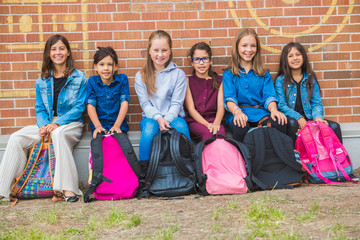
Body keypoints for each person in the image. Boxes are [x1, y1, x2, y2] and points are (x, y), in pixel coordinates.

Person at [0, 34, 86, 202]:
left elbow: (79, 108)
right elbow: (39, 108)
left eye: (62, 48)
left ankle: (68, 189)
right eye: (53, 49)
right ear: (48, 53)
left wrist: (58, 123)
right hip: (47, 123)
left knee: (58, 134)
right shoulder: (42, 80)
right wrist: (44, 125)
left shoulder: (79, 77)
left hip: (70, 123)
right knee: (16, 137)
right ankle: (5, 188)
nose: (58, 52)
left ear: (68, 52)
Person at [134, 30, 190, 168]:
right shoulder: (141, 76)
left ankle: (189, 168)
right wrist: (159, 119)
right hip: (151, 118)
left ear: (170, 51)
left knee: (181, 127)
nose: (160, 54)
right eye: (156, 50)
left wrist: (167, 120)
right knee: (149, 130)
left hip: (174, 116)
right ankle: (145, 172)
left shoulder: (178, 74)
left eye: (164, 50)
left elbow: (177, 103)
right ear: (149, 51)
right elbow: (146, 105)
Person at [223, 28, 287, 142]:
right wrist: (237, 112)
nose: (249, 49)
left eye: (253, 46)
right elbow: (229, 99)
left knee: (279, 121)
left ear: (257, 48)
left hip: (260, 112)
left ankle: (275, 157)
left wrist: (273, 110)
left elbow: (269, 96)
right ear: (237, 47)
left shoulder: (263, 72)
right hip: (239, 112)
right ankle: (244, 158)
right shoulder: (229, 73)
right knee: (239, 125)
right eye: (244, 45)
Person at [275, 42, 342, 142]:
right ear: (285, 60)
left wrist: (318, 117)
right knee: (293, 124)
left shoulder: (310, 78)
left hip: (310, 118)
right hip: (292, 120)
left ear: (303, 57)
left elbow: (316, 103)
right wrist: (298, 118)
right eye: (290, 56)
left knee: (334, 126)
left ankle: (337, 157)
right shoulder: (280, 81)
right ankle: (295, 156)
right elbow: (281, 105)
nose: (295, 58)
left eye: (298, 54)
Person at [184, 42, 226, 142]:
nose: (201, 63)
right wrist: (207, 125)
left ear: (210, 61)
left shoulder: (220, 81)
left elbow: (221, 106)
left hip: (215, 119)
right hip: (196, 121)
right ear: (192, 63)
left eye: (205, 59)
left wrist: (216, 123)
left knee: (220, 136)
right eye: (197, 60)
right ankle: (204, 157)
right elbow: (191, 109)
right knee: (208, 135)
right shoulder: (188, 81)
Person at [86, 47, 130, 139]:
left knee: (120, 144)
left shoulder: (122, 80)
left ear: (115, 67)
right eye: (101, 64)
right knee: (99, 146)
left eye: (110, 64)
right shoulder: (92, 81)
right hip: (99, 125)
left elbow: (124, 103)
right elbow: (91, 105)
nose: (106, 68)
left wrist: (117, 125)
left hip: (118, 124)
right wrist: (97, 126)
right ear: (95, 67)